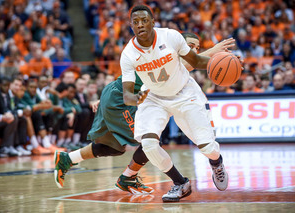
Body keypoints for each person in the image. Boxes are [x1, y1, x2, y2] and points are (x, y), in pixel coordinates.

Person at [54, 30, 234, 201]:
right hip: (121, 101)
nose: (194, 51)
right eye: (191, 46)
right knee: (150, 143)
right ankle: (154, 180)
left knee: (115, 147)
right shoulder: (166, 53)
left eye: (198, 48)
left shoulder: (170, 65)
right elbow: (188, 63)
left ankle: (68, 159)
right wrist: (213, 52)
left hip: (119, 97)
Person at [120, 5, 229, 202]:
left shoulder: (171, 36)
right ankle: (180, 183)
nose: (140, 25)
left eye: (144, 20)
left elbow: (195, 61)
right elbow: (126, 93)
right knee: (149, 145)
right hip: (153, 97)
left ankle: (217, 163)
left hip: (185, 93)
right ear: (131, 26)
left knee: (207, 148)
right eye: (135, 22)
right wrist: (134, 99)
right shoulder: (128, 54)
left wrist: (225, 61)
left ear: (153, 22)